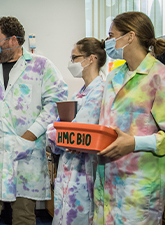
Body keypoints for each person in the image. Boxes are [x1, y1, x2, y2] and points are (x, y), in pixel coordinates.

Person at [0, 16, 68, 225]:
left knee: (24, 217)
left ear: (13, 40)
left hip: (24, 154)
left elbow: (56, 101)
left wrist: (30, 134)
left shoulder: (41, 66)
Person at [95, 11, 165, 224]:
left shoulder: (159, 76)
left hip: (139, 185)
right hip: (107, 180)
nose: (107, 41)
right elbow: (105, 125)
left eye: (111, 34)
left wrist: (134, 143)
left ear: (130, 36)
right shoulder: (114, 75)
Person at [46, 38, 106, 224]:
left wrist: (57, 132)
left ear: (91, 59)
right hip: (68, 170)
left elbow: (76, 136)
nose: (71, 63)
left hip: (84, 172)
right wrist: (57, 132)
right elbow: (57, 134)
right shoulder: (80, 93)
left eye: (74, 58)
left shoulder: (100, 92)